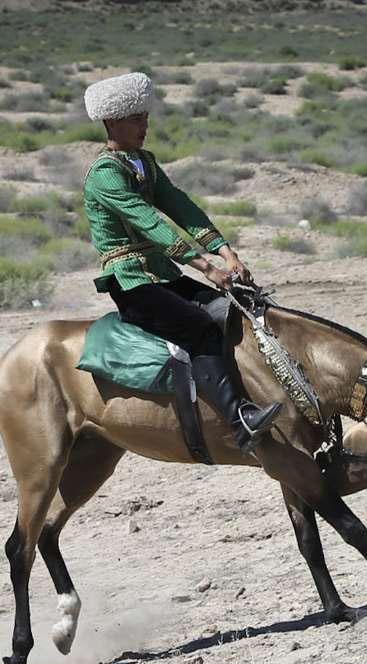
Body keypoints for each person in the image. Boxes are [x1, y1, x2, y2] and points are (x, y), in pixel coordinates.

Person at [82, 71, 281, 455]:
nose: (145, 125)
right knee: (201, 328)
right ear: (111, 123)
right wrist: (206, 267)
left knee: (235, 310)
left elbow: (181, 207)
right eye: (135, 119)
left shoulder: (144, 163)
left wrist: (227, 253)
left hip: (162, 276)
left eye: (145, 117)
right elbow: (149, 220)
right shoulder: (105, 174)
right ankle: (239, 419)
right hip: (132, 284)